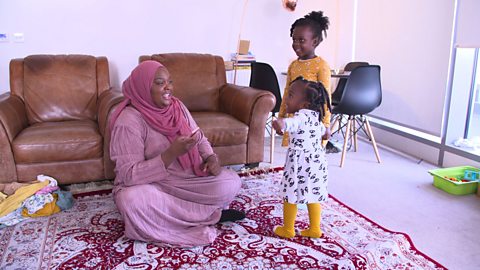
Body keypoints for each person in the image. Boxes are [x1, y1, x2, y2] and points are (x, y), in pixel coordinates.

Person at [109, 60, 245, 247]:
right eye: (159, 82)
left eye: (170, 82)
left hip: (187, 180)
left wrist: (211, 157)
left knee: (231, 182)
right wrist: (170, 155)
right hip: (154, 186)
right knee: (132, 200)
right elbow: (128, 175)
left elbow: (199, 137)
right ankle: (210, 215)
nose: (168, 88)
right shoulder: (128, 121)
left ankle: (176, 216)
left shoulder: (177, 106)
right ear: (142, 86)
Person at [272, 77, 331, 238]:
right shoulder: (315, 119)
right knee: (313, 194)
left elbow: (291, 124)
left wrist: (281, 123)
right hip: (316, 163)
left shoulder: (300, 117)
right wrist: (326, 132)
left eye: (290, 95)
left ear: (304, 104)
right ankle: (315, 229)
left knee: (290, 194)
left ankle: (288, 229)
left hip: (299, 164)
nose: (286, 99)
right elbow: (324, 132)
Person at [278, 10, 337, 152]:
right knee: (294, 153)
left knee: (310, 156)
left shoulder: (321, 65)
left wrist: (326, 125)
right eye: (294, 40)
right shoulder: (293, 65)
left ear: (315, 41)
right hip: (294, 118)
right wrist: (282, 117)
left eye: (301, 40)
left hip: (312, 122)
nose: (296, 44)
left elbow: (326, 96)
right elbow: (287, 92)